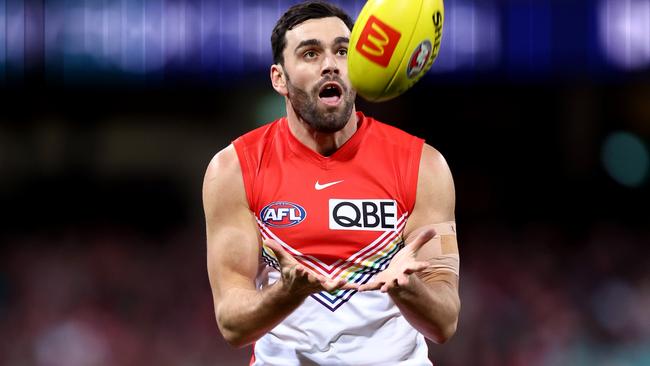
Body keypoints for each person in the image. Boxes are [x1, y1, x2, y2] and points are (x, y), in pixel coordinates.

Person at [202, 1, 460, 364]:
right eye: (310, 54)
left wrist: (409, 288)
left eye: (343, 51)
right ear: (279, 78)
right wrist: (288, 293)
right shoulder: (234, 169)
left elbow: (445, 321)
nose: (331, 64)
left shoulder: (422, 165)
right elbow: (232, 325)